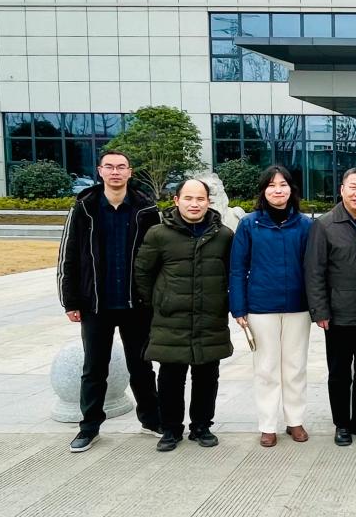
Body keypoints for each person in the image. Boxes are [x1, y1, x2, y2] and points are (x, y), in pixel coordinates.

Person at [57, 150, 161, 453]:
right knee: (94, 368)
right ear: (100, 171)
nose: (115, 172)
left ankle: (151, 420)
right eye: (109, 167)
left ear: (130, 172)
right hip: (95, 304)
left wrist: (155, 298)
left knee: (142, 366)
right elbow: (68, 256)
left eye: (121, 167)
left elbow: (157, 258)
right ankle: (89, 427)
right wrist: (70, 301)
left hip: (135, 303)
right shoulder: (84, 208)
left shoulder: (146, 208)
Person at [134, 178, 234, 452]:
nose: (194, 204)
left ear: (208, 202)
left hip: (210, 318)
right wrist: (159, 301)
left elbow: (231, 273)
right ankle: (170, 429)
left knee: (207, 376)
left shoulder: (223, 235)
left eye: (200, 199)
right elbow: (143, 273)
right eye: (188, 198)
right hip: (171, 318)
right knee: (170, 376)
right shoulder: (159, 234)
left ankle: (201, 426)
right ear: (176, 200)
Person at [304, 167, 356, 447]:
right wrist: (320, 311)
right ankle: (341, 424)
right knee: (339, 374)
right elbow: (314, 271)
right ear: (342, 190)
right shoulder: (325, 225)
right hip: (338, 316)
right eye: (353, 187)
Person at [229, 165, 312, 448]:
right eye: (272, 185)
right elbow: (237, 268)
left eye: (283, 184)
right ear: (263, 191)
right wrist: (238, 308)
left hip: (298, 306)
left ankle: (295, 420)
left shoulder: (305, 225)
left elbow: (313, 268)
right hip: (261, 305)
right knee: (266, 367)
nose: (278, 190)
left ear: (292, 189)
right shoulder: (249, 224)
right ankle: (267, 425)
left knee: (295, 365)